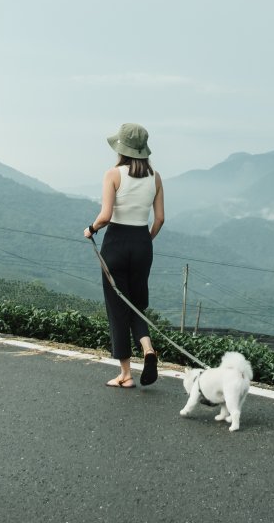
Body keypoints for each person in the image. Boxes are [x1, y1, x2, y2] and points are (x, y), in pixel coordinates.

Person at [84, 123, 165, 388]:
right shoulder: (156, 177)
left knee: (118, 307)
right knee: (136, 303)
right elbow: (160, 219)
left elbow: (106, 216)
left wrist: (91, 229)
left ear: (121, 148)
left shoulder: (113, 174)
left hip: (116, 244)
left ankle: (126, 374)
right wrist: (145, 240)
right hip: (142, 243)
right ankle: (148, 347)